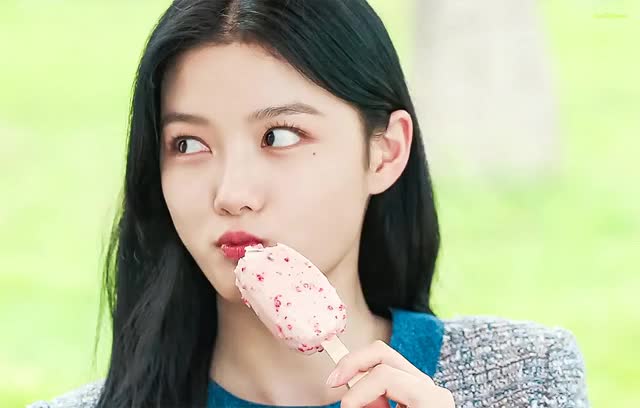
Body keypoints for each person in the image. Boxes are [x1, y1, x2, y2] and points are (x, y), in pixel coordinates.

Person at [29, 0, 589, 407]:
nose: (231, 194)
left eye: (279, 136)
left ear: (385, 152)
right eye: (189, 144)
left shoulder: (525, 377)